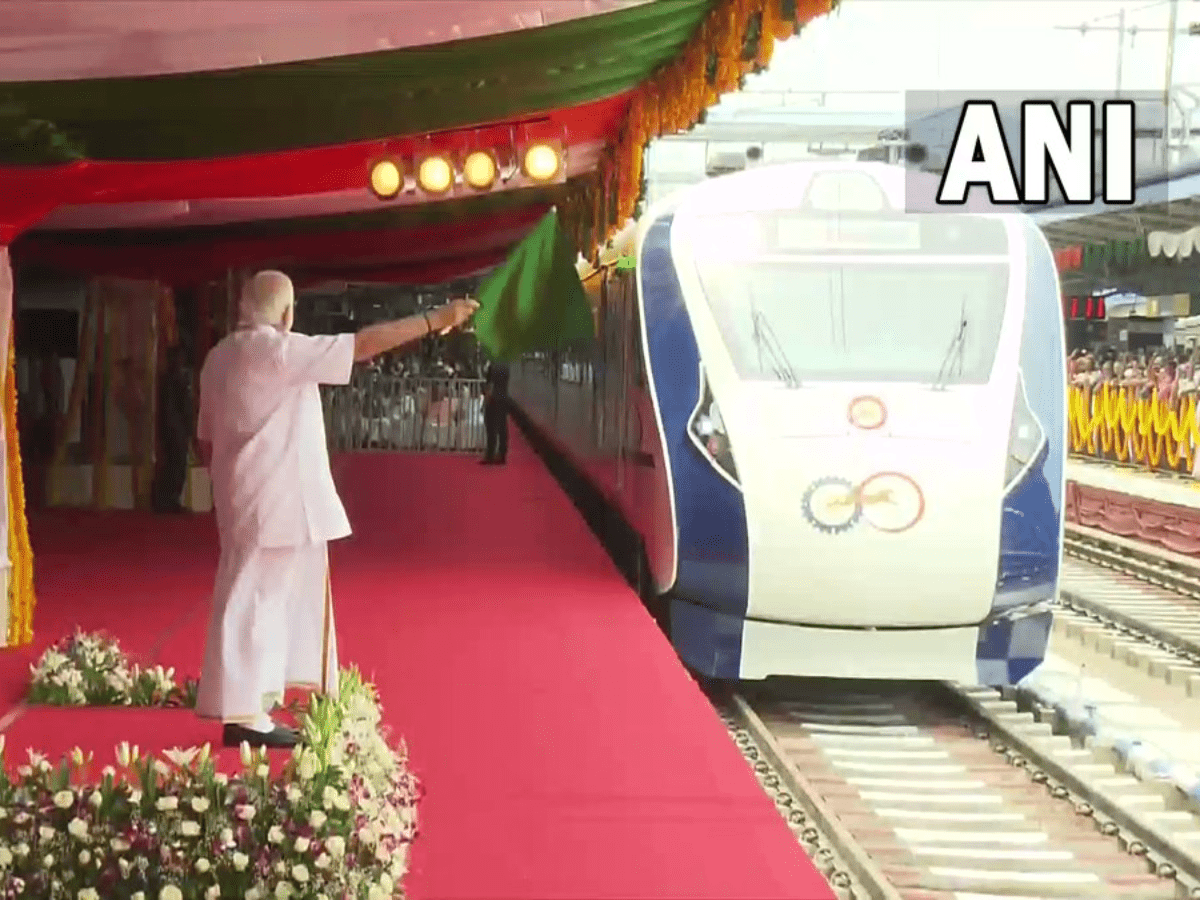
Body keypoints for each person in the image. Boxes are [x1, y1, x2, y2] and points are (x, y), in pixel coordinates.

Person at [194, 270, 477, 748]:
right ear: (287, 314)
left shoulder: (217, 358)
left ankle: (251, 704)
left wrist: (227, 483)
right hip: (279, 499)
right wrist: (435, 319)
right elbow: (364, 344)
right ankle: (244, 714)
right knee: (257, 601)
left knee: (253, 596)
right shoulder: (281, 351)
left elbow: (204, 439)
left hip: (242, 498)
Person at [152, 343, 194, 513]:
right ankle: (168, 500)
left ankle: (169, 499)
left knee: (174, 465)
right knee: (174, 465)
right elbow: (173, 407)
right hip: (174, 429)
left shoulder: (173, 378)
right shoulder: (172, 379)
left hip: (174, 428)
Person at [481, 359, 510, 465]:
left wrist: (486, 398)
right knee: (502, 426)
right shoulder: (506, 365)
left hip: (493, 399)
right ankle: (502, 454)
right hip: (503, 398)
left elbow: (490, 384)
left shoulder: (492, 366)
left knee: (491, 427)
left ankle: (490, 454)